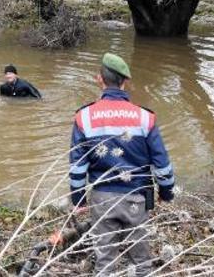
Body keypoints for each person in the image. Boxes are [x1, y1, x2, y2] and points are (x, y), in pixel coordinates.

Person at [69, 53, 175, 276]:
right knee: (141, 259)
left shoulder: (84, 117)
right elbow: (162, 163)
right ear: (124, 82)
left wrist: (78, 199)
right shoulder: (145, 118)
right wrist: (166, 193)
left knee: (104, 258)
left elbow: (77, 166)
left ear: (100, 79)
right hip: (137, 197)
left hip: (102, 198)